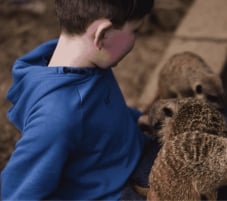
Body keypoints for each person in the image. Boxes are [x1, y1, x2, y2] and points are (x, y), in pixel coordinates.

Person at [1, 0, 154, 200]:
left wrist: (138, 118)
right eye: (135, 31)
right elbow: (16, 193)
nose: (135, 40)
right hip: (116, 193)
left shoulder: (93, 61)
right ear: (103, 34)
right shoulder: (57, 117)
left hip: (135, 152)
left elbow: (103, 115)